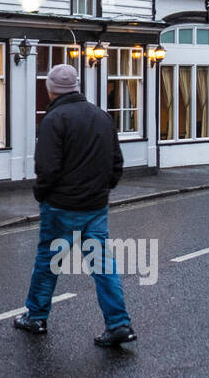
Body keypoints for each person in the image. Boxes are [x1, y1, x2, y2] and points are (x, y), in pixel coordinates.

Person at [15, 63, 136, 346]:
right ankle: (119, 324)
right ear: (77, 86)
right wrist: (103, 189)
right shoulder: (102, 117)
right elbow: (116, 163)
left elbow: (47, 167)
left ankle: (36, 316)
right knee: (103, 265)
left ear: (51, 90)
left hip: (60, 206)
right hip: (95, 207)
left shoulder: (54, 119)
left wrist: (41, 194)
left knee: (48, 262)